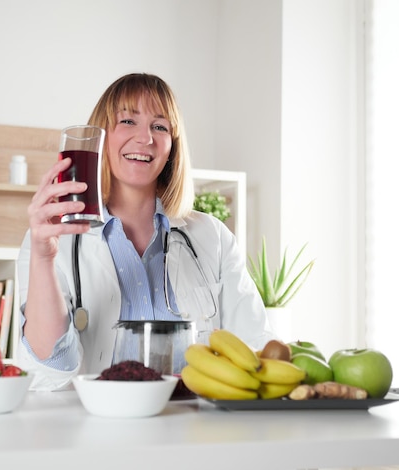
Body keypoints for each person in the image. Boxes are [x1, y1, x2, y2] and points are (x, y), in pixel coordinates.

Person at [16, 72, 275, 390]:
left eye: (160, 126)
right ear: (99, 137)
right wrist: (43, 258)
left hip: (193, 426)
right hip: (96, 427)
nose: (145, 138)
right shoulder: (53, 240)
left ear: (172, 147)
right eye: (127, 121)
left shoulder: (213, 238)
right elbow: (51, 367)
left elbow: (254, 347)